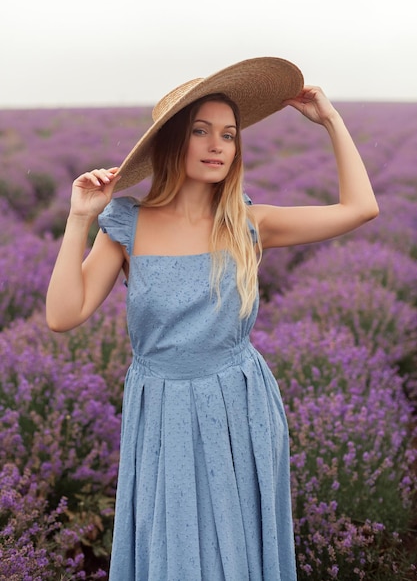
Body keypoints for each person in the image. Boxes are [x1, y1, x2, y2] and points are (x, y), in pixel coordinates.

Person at [46, 57, 379, 581]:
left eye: (228, 134)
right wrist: (80, 218)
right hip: (161, 408)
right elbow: (63, 315)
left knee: (237, 546)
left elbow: (360, 208)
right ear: (173, 141)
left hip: (239, 404)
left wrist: (331, 121)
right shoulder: (127, 225)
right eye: (201, 131)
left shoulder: (248, 223)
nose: (217, 144)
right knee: (173, 544)